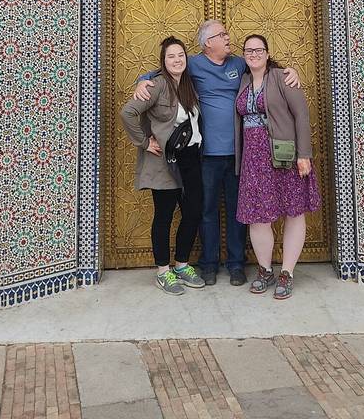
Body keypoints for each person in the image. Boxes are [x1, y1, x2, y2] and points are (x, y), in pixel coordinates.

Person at [133, 19, 300, 287]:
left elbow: (263, 66)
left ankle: (236, 265)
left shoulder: (237, 63)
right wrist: (142, 80)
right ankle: (208, 264)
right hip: (206, 155)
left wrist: (288, 71)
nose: (228, 37)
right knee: (206, 210)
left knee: (238, 210)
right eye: (222, 34)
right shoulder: (194, 63)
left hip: (240, 154)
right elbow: (165, 69)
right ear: (208, 43)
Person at [234, 33, 321, 300]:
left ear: (268, 53)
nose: (254, 54)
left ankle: (287, 272)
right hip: (253, 160)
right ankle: (264, 269)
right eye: (249, 50)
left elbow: (301, 115)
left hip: (284, 156)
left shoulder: (283, 77)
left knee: (293, 211)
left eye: (259, 50)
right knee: (258, 215)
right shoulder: (244, 80)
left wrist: (304, 154)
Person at [121, 36, 206, 295]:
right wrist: (144, 142)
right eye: (171, 56)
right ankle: (163, 271)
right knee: (164, 215)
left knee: (193, 212)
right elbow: (128, 113)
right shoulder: (156, 85)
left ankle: (181, 264)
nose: (177, 60)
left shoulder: (189, 85)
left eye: (180, 55)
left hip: (190, 158)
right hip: (164, 161)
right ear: (163, 61)